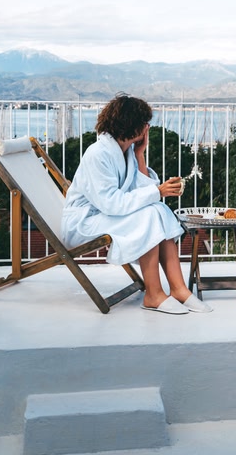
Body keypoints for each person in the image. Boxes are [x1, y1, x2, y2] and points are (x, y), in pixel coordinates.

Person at [61, 94, 211, 314]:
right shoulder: (98, 154)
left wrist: (140, 154)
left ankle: (178, 289)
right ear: (131, 124)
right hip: (85, 222)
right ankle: (153, 294)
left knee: (158, 209)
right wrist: (157, 191)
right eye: (144, 123)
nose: (147, 127)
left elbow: (142, 190)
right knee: (148, 214)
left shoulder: (127, 151)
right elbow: (111, 203)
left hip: (105, 215)